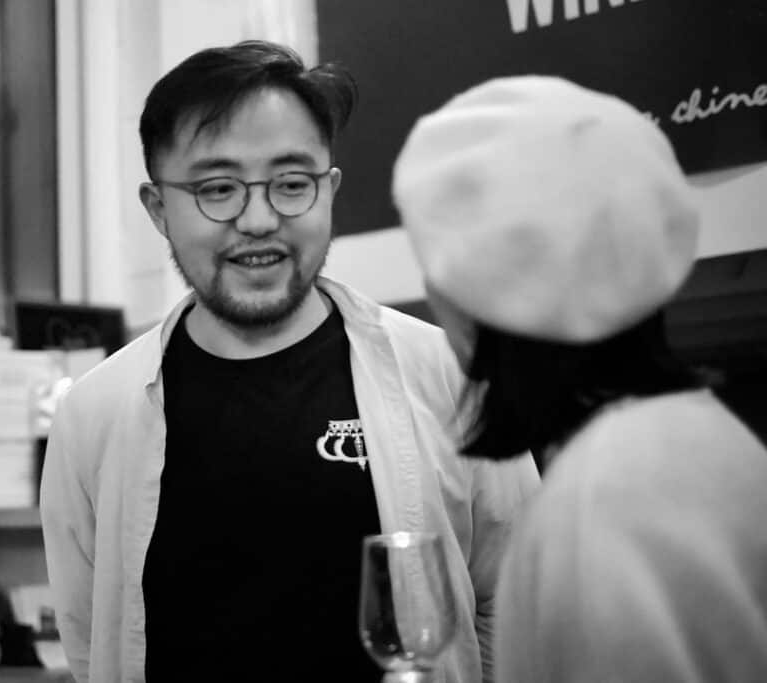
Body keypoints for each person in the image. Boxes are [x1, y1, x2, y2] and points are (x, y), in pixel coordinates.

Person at [40, 41, 539, 683]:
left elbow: (523, 601)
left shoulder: (448, 377)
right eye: (217, 188)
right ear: (159, 208)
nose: (258, 218)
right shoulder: (94, 414)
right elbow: (90, 646)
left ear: (328, 189)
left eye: (291, 183)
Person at [393, 75, 767, 682]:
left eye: (436, 264)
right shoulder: (687, 438)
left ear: (484, 293)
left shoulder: (609, 502)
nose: (434, 294)